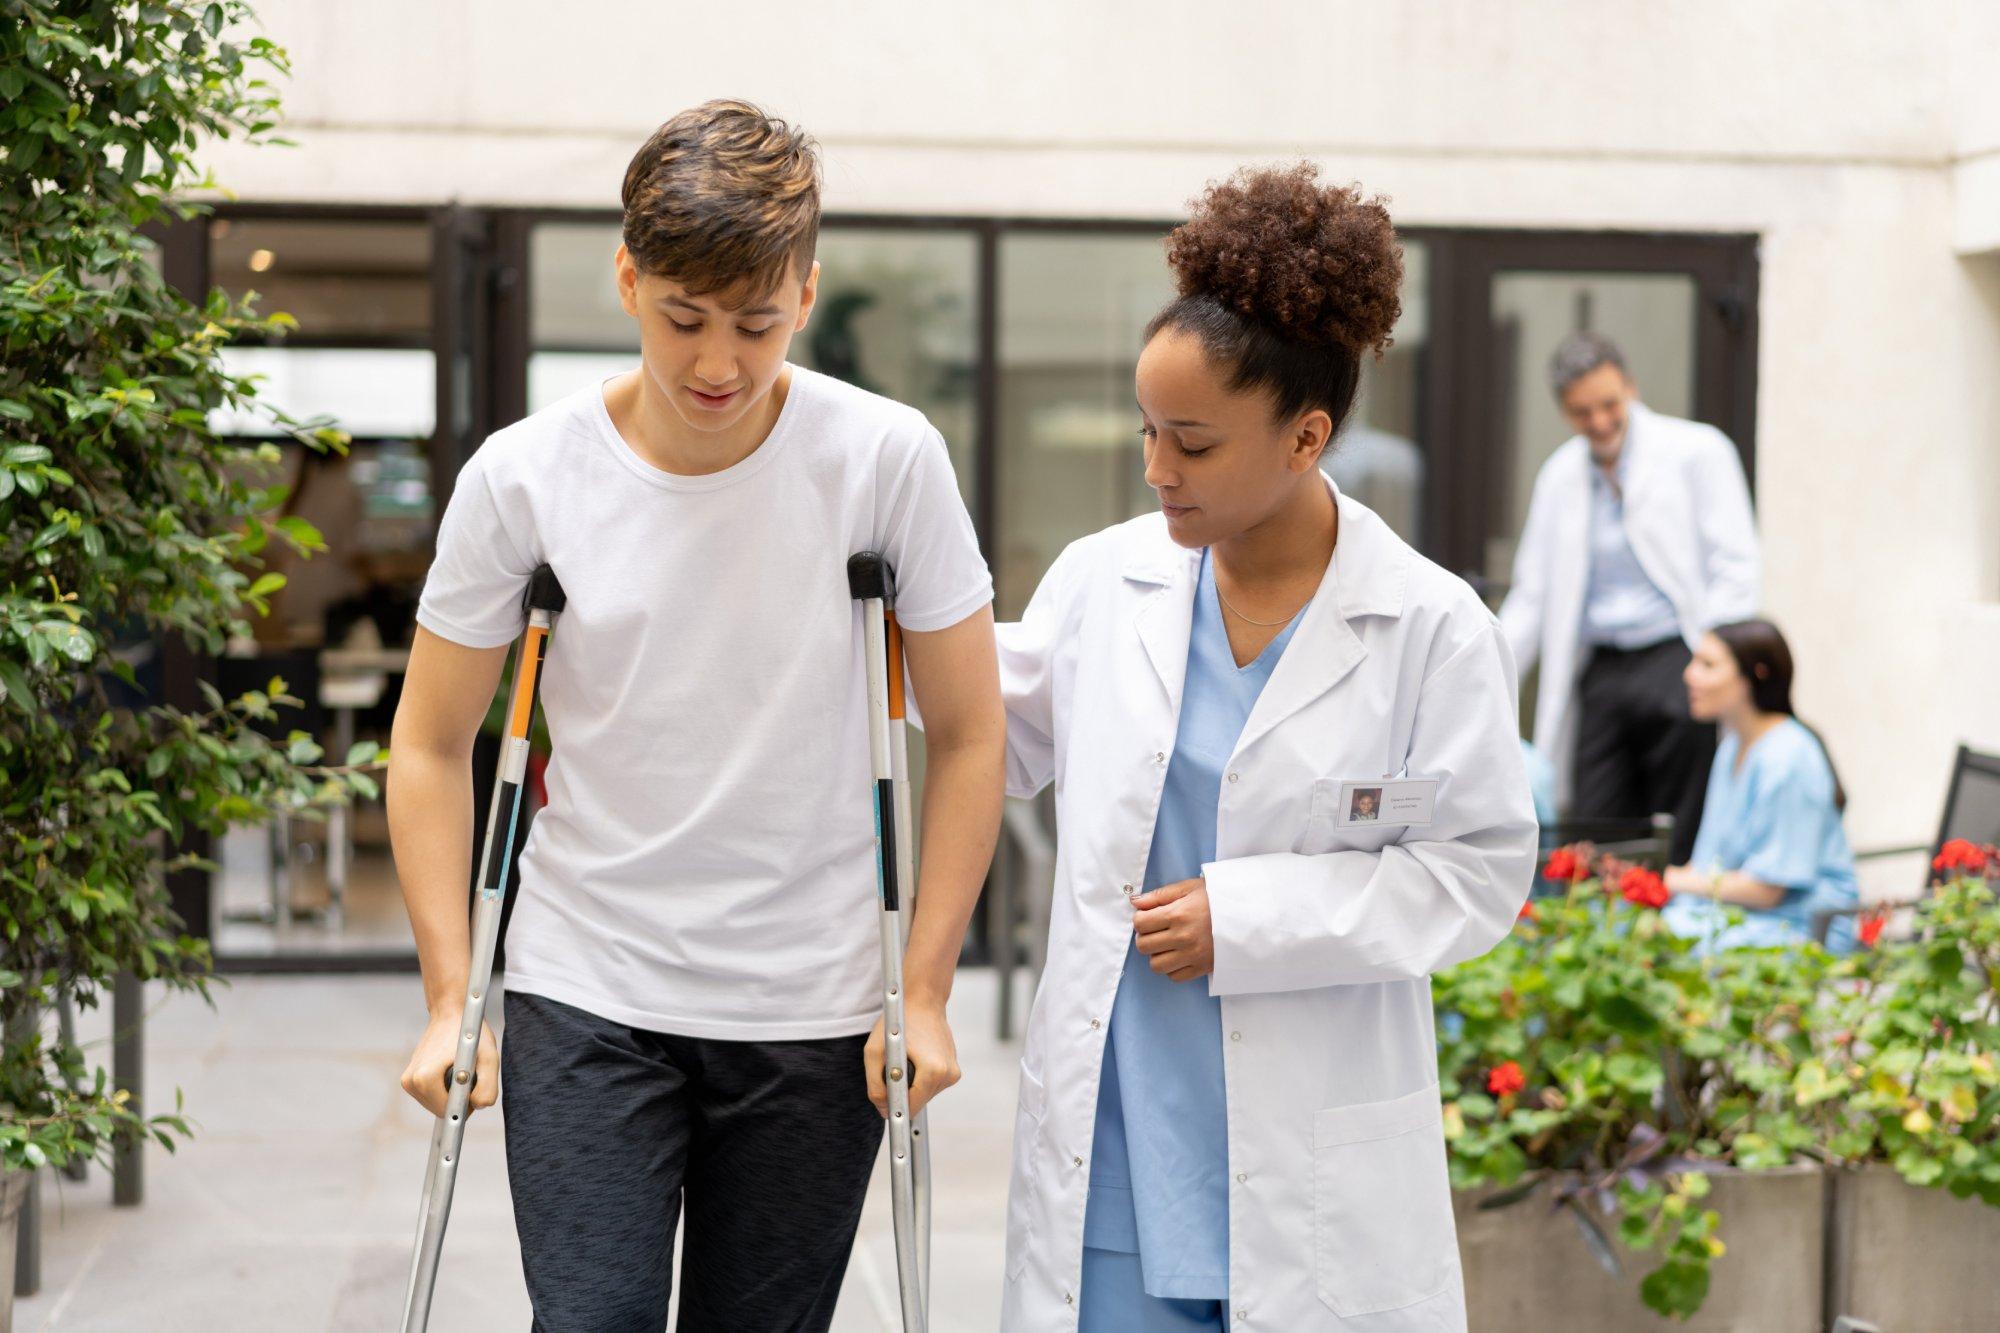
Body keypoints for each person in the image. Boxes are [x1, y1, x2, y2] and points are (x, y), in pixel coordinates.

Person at [386, 100, 1005, 1331]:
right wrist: (451, 995)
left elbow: (971, 733)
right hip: (587, 984)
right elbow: (428, 741)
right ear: (627, 277)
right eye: (683, 319)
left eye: (756, 324)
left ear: (806, 295)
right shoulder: (524, 477)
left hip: (815, 1001)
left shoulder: (885, 460)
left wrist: (923, 988)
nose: (718, 364)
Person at [993, 164, 1537, 1332]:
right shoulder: (1105, 580)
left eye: (1189, 442)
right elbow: (985, 734)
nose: (1154, 470)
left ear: (1305, 435)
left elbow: (1477, 872)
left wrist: (1247, 919)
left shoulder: (1429, 626)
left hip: (1312, 1175)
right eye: (1147, 431)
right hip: (1119, 1153)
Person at [1498, 332, 1759, 862]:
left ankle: (1675, 925)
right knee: (1598, 820)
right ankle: (1607, 935)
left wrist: (1715, 660)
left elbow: (1736, 569)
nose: (1598, 422)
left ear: (1631, 388)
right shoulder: (1559, 476)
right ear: (1564, 411)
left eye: (1609, 405)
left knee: (1681, 817)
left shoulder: (1698, 452)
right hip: (1603, 672)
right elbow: (1532, 595)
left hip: (1677, 659)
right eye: (1581, 412)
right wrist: (1485, 671)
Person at [1662, 620, 1860, 952]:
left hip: (1804, 929)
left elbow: (1768, 891)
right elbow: (1712, 859)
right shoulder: (1731, 746)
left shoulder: (1789, 757)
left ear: (1755, 675)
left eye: (1708, 665)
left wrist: (1672, 880)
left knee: (1655, 942)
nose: (1689, 675)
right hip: (1739, 915)